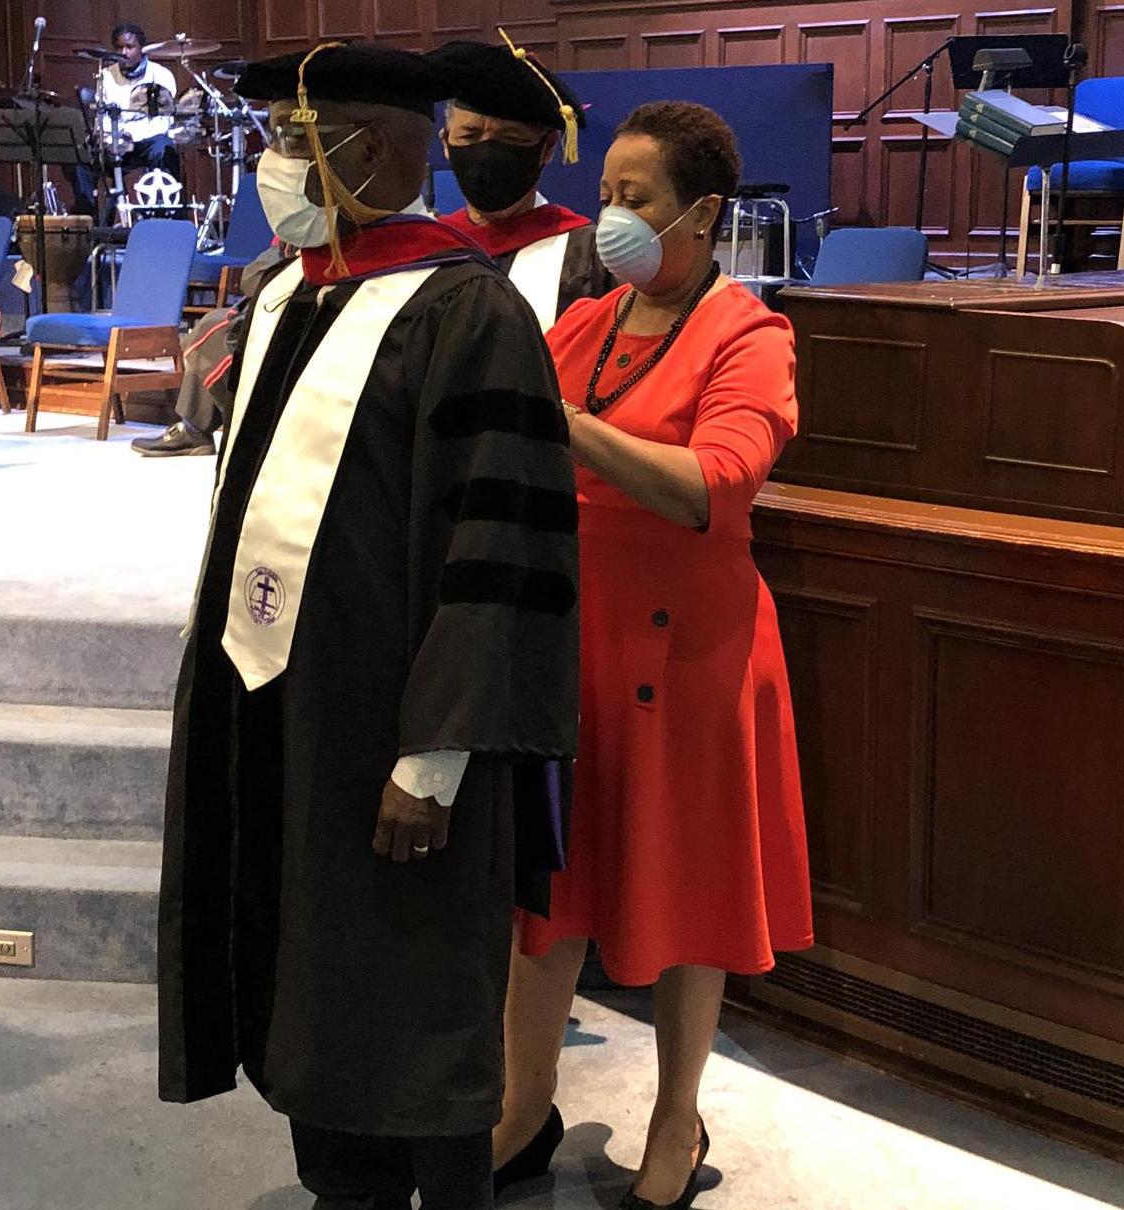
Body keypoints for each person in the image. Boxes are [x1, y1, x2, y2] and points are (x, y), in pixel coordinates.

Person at [156, 42, 579, 1210]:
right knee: (314, 994)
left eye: (298, 141)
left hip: (398, 734)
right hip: (285, 710)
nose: (274, 166)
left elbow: (502, 557)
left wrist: (435, 758)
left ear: (378, 150)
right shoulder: (292, 290)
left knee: (412, 1015)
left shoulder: (467, 310)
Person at [495, 102, 814, 1209]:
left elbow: (711, 488)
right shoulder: (583, 323)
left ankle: (677, 1116)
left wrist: (557, 424)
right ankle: (521, 1104)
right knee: (544, 885)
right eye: (610, 194)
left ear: (704, 211)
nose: (613, 217)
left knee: (691, 894)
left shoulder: (750, 335)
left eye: (638, 197)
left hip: (693, 659)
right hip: (570, 640)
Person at [427, 36, 611, 329]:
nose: (486, 152)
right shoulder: (426, 248)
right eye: (469, 136)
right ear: (446, 143)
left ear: (548, 147)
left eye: (509, 138)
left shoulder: (589, 256)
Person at [130, 242, 290, 457]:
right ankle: (194, 428)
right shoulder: (289, 233)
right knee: (211, 324)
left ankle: (236, 429)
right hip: (279, 298)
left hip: (301, 307)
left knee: (217, 333)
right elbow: (250, 279)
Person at [69, 22, 179, 219]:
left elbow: (163, 121)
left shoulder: (161, 75)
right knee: (80, 159)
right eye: (119, 47)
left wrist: (132, 136)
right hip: (115, 143)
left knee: (164, 148)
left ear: (141, 49)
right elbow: (101, 118)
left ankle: (161, 215)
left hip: (147, 140)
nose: (124, 52)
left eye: (130, 47)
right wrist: (112, 139)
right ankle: (88, 221)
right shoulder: (107, 76)